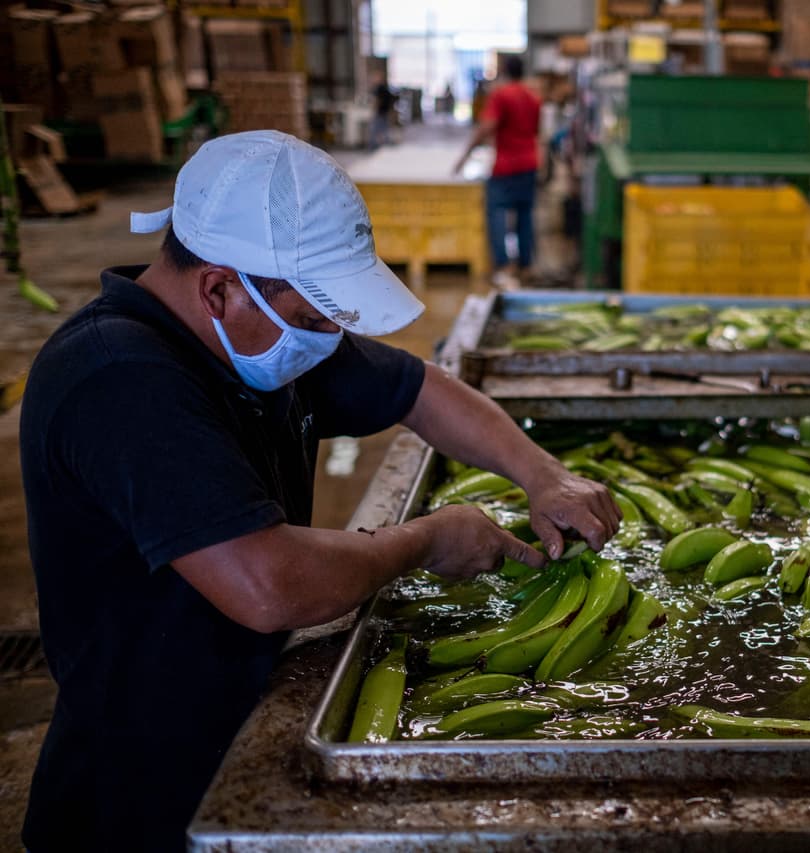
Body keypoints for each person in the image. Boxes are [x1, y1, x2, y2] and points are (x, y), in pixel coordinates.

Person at [19, 130, 620, 853]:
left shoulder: (252, 335)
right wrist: (424, 539)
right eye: (311, 320)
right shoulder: (118, 380)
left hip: (237, 714)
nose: (326, 339)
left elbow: (420, 389)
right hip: (140, 791)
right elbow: (269, 584)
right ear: (217, 286)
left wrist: (543, 474)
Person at [454, 56, 542, 291]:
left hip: (506, 165)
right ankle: (526, 265)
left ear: (504, 72)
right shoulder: (533, 97)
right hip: (530, 162)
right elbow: (536, 130)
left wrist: (465, 156)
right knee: (525, 214)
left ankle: (503, 267)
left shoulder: (501, 96)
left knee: (497, 214)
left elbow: (487, 127)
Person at [369, 72, 396, 149]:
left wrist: (374, 110)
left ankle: (374, 147)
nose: (373, 80)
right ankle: (385, 146)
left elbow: (377, 101)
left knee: (376, 130)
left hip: (381, 112)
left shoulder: (379, 89)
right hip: (384, 112)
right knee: (383, 130)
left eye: (375, 78)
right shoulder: (385, 88)